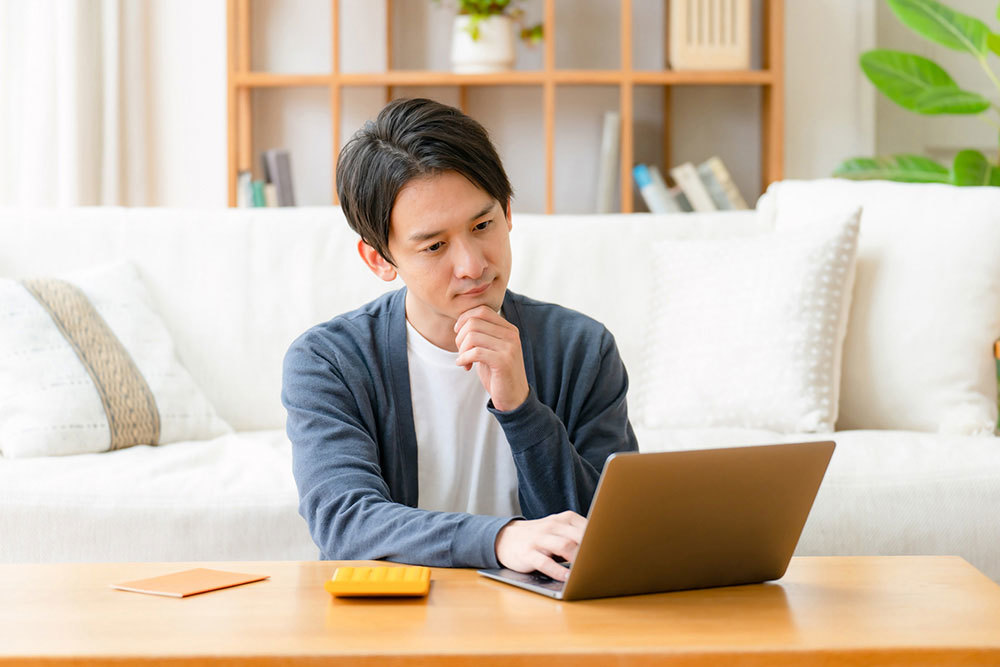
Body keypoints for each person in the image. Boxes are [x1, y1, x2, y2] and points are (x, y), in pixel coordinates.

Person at [281, 97, 637, 582]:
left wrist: (520, 407)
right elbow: (345, 520)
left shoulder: (581, 348)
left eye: (483, 225)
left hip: (545, 622)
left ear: (508, 212)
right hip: (392, 624)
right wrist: (499, 538)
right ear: (380, 260)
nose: (472, 265)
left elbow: (608, 531)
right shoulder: (329, 361)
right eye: (434, 246)